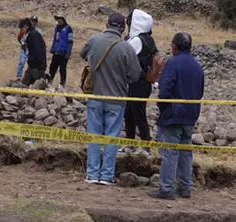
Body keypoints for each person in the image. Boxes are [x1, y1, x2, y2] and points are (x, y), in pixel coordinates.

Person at [79, 12, 139, 185]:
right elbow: (134, 76)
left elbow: (83, 54)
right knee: (111, 137)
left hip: (95, 96)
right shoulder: (126, 47)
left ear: (106, 24)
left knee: (94, 136)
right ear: (122, 28)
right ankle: (106, 175)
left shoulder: (94, 39)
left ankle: (91, 173)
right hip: (116, 99)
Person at [149, 31, 203, 201]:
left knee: (170, 152)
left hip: (173, 114)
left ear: (174, 46)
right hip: (191, 113)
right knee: (185, 151)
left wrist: (162, 107)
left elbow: (165, 90)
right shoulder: (197, 66)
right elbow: (200, 92)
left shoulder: (172, 64)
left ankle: (166, 188)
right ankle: (185, 187)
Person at [124, 7, 155, 141]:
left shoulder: (137, 40)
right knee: (129, 114)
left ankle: (146, 145)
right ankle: (131, 144)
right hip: (144, 84)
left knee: (138, 116)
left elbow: (124, 54)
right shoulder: (149, 39)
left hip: (137, 83)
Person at [47, 12, 71, 87]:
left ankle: (62, 84)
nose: (58, 20)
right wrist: (52, 49)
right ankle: (49, 82)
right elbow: (55, 39)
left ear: (63, 19)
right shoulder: (56, 28)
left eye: (60, 19)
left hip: (63, 53)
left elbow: (70, 42)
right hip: (56, 52)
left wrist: (68, 53)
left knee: (62, 69)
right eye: (57, 19)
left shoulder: (68, 28)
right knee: (52, 68)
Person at [21, 13, 45, 85]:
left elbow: (40, 51)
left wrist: (42, 66)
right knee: (24, 86)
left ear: (26, 26)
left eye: (22, 28)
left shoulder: (35, 35)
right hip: (32, 65)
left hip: (37, 67)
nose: (22, 30)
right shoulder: (30, 34)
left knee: (39, 87)